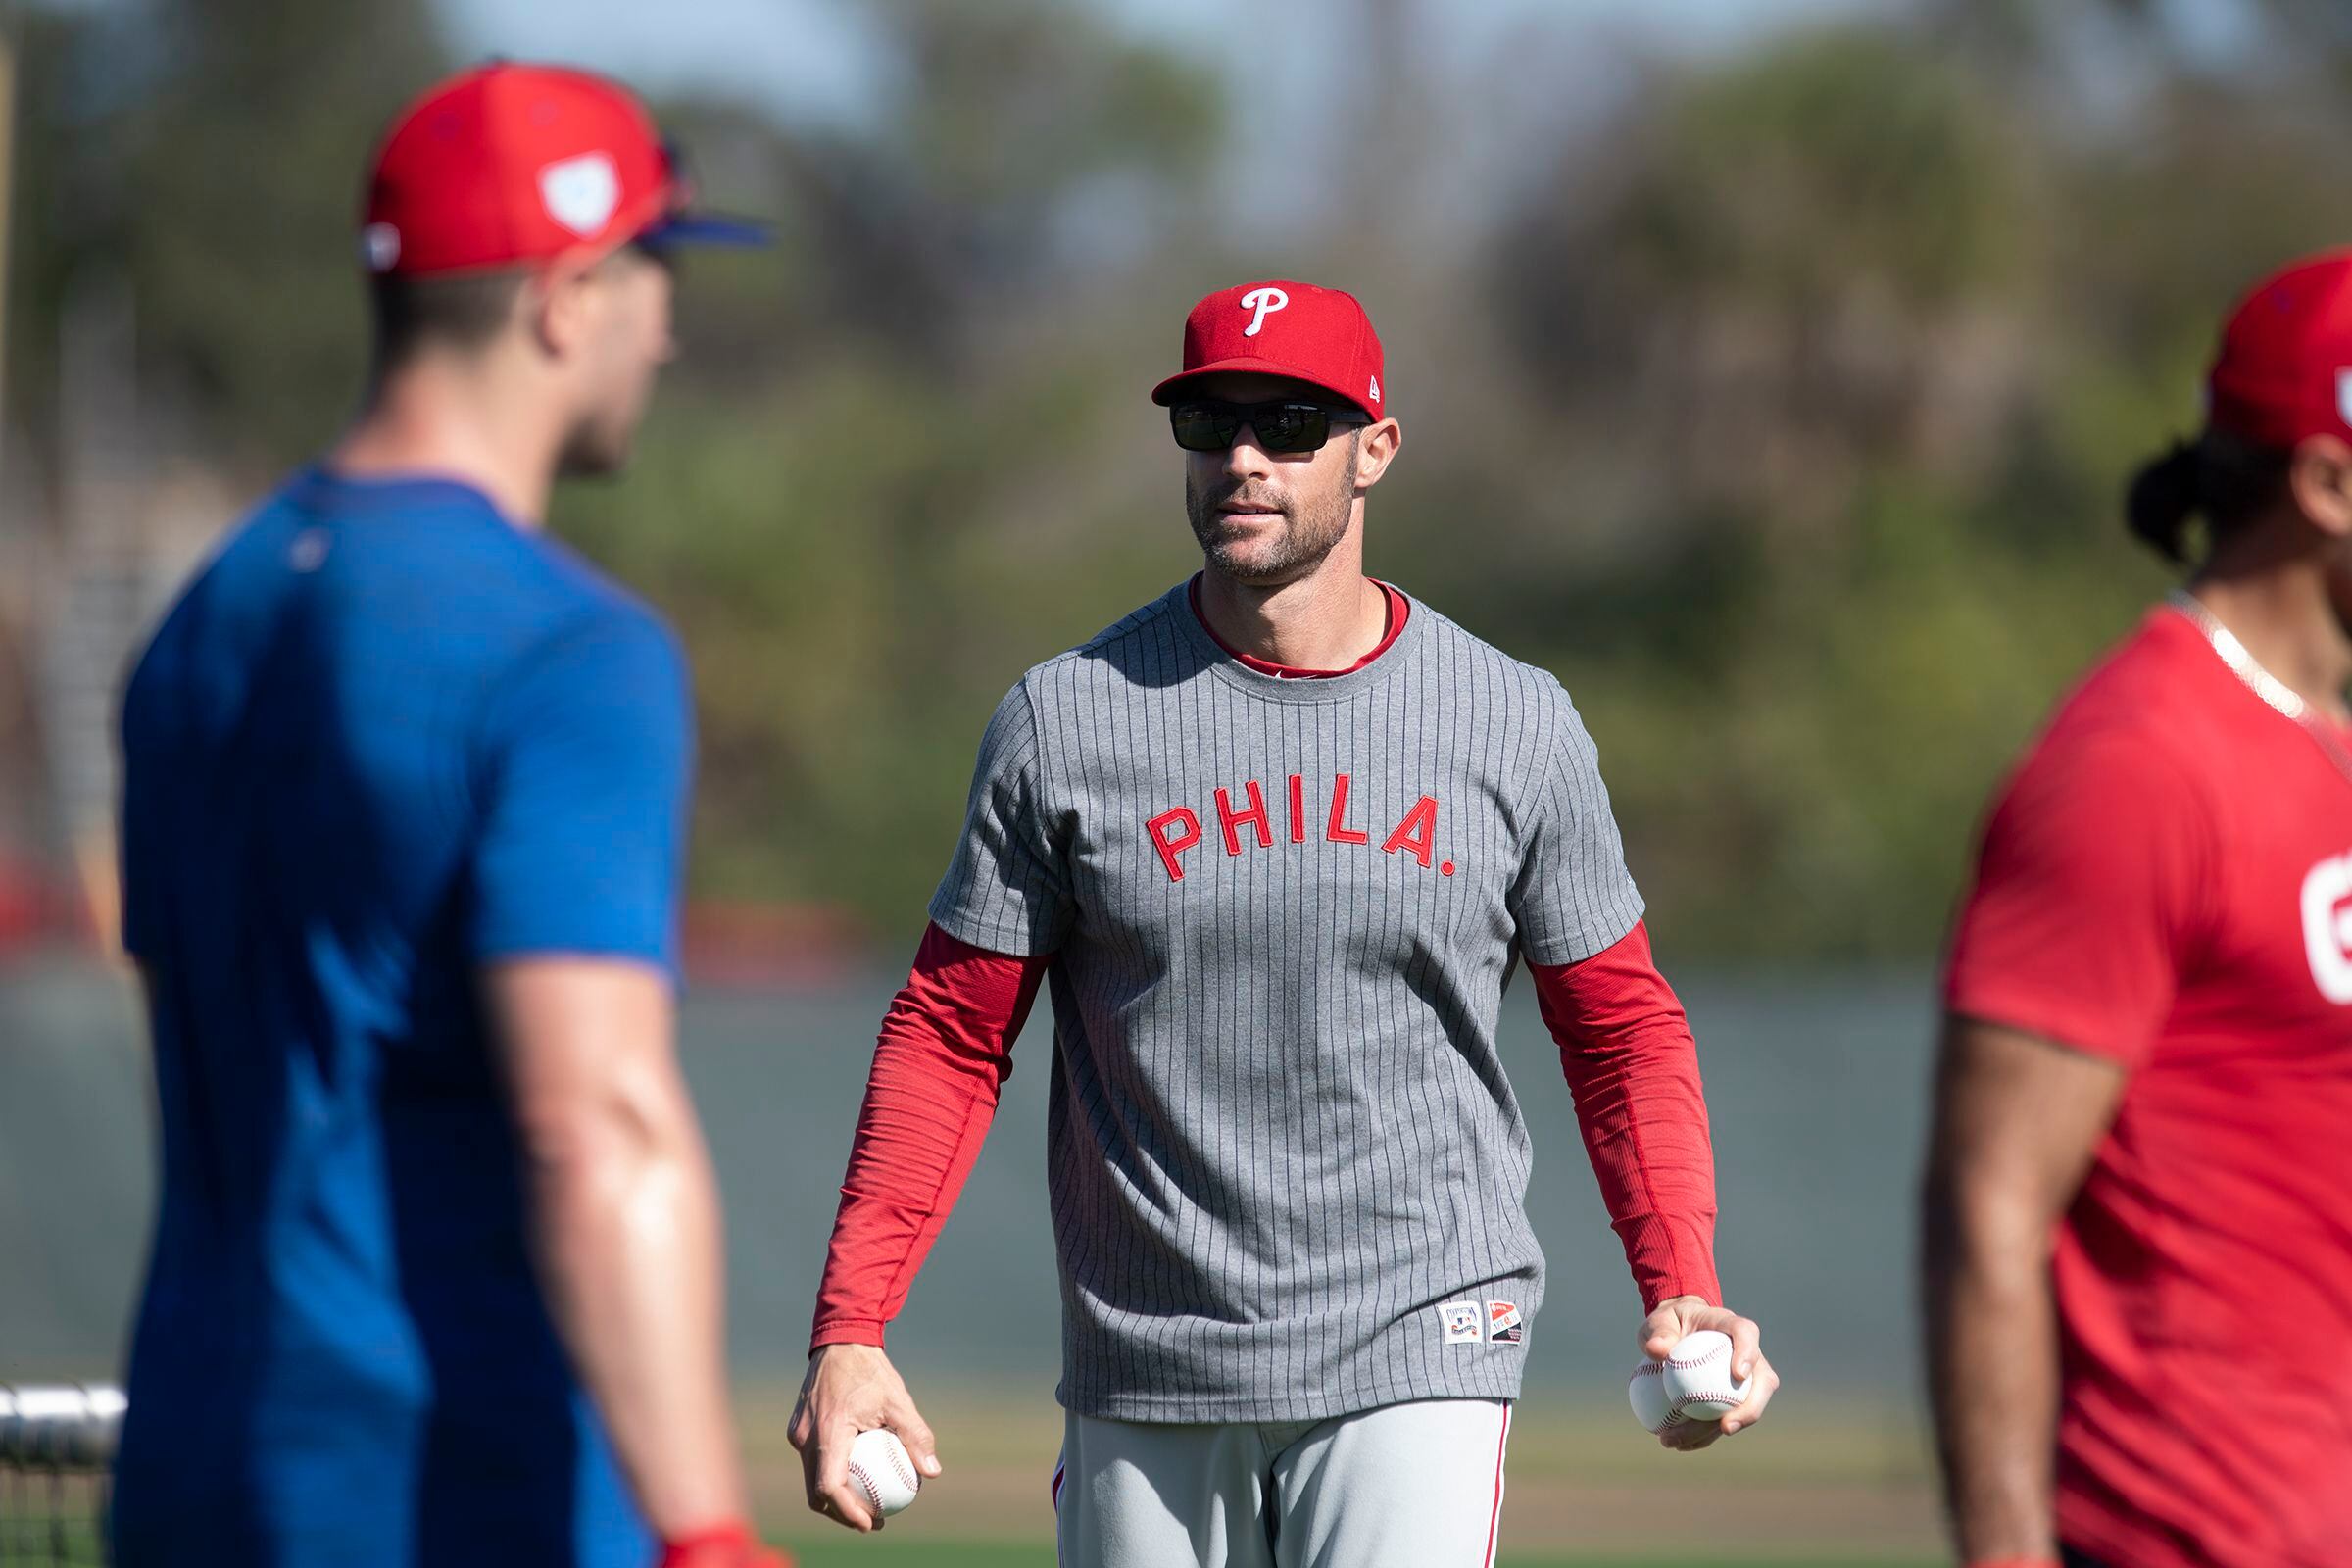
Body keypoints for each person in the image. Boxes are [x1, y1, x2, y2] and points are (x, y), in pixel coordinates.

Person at [789, 278, 1780, 1563]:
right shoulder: (1070, 717)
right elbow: (949, 1034)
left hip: (1423, 1336)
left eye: (1291, 422)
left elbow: (1621, 1030)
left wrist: (1682, 1284)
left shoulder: (1513, 721)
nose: (1245, 455)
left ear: (1376, 449)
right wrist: (853, 1322)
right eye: (1211, 424)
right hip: (1148, 1361)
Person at [111, 63, 785, 1568]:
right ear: (567, 298)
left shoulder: (199, 627)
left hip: (192, 1476)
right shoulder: (566, 648)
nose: (667, 327)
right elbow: (595, 1120)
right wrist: (705, 1533)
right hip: (455, 1494)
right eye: (654, 273)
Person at [1927, 249, 2352, 1568]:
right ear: (2327, 483)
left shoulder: (2326, 744)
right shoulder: (2140, 766)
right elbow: (1988, 1208)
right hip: (2187, 1533)